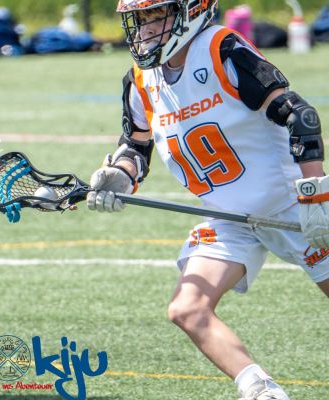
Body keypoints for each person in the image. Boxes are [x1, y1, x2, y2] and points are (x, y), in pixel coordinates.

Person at [87, 1, 328, 399]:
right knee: (187, 309)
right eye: (139, 20)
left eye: (155, 16)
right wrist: (120, 176)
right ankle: (262, 391)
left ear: (190, 11)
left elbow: (299, 116)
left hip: (290, 205)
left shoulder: (221, 50)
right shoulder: (141, 79)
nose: (144, 30)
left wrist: (315, 194)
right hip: (229, 217)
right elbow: (135, 146)